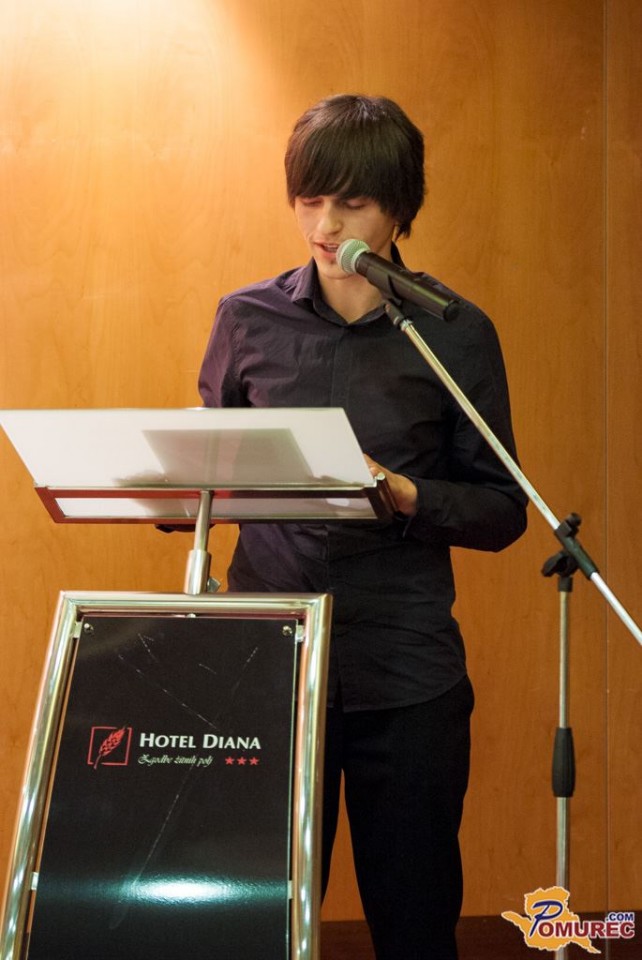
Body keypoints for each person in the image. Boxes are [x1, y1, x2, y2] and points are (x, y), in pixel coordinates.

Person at [198, 94, 527, 960]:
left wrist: (406, 493)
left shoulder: (453, 334)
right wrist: (175, 478)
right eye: (309, 200)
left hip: (406, 672)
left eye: (351, 203)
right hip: (272, 665)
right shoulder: (245, 319)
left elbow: (503, 510)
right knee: (257, 921)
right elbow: (208, 473)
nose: (325, 225)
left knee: (415, 921)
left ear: (399, 209)